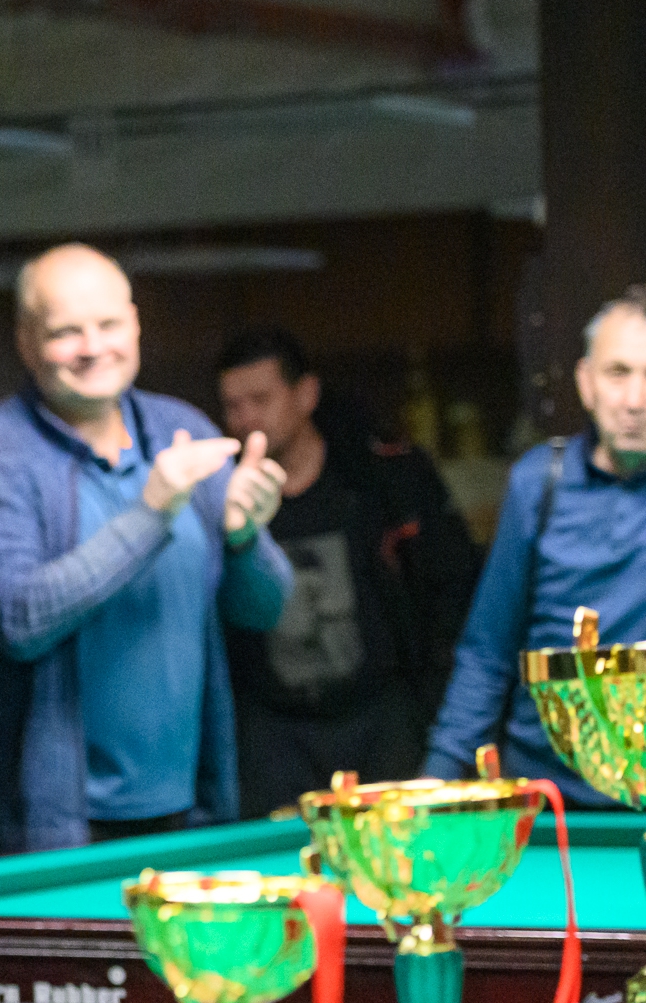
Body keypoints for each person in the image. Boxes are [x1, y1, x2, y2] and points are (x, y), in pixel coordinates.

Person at [0, 244, 291, 854]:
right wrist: (152, 512)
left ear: (134, 325)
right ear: (26, 342)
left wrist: (245, 539)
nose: (92, 347)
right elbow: (19, 620)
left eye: (108, 324)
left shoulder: (180, 429)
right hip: (51, 829)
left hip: (191, 811)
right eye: (66, 332)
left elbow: (264, 610)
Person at [215, 327, 481, 816]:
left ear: (306, 394)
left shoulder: (381, 481)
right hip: (275, 735)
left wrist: (436, 716)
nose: (246, 419)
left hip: (382, 719)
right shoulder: (220, 500)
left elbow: (452, 598)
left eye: (260, 399)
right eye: (233, 406)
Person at [425, 285, 646, 801]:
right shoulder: (539, 482)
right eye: (618, 373)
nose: (636, 401)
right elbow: (488, 651)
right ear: (586, 384)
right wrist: (437, 779)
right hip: (546, 802)